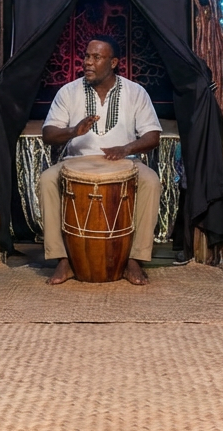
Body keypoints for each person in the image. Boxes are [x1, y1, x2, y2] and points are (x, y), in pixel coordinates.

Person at [39, 36, 162, 286]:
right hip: (77, 161)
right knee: (47, 179)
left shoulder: (135, 92)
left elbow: (153, 135)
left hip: (126, 161)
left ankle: (134, 259)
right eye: (86, 56)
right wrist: (74, 131)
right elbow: (48, 134)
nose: (88, 62)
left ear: (114, 62)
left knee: (151, 181)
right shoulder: (69, 92)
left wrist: (126, 147)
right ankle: (62, 258)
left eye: (96, 57)